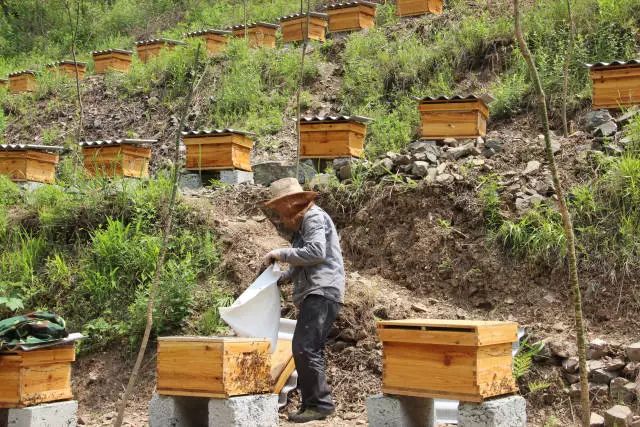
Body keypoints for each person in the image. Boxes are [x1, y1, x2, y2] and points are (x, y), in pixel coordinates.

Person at [262, 177, 345, 424]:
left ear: (291, 202)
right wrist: (281, 279)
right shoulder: (302, 227)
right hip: (318, 291)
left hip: (322, 290)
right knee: (309, 348)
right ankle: (314, 404)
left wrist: (282, 253)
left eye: (280, 207)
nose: (279, 212)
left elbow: (316, 253)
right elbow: (302, 264)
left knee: (304, 347)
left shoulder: (314, 218)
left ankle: (320, 404)